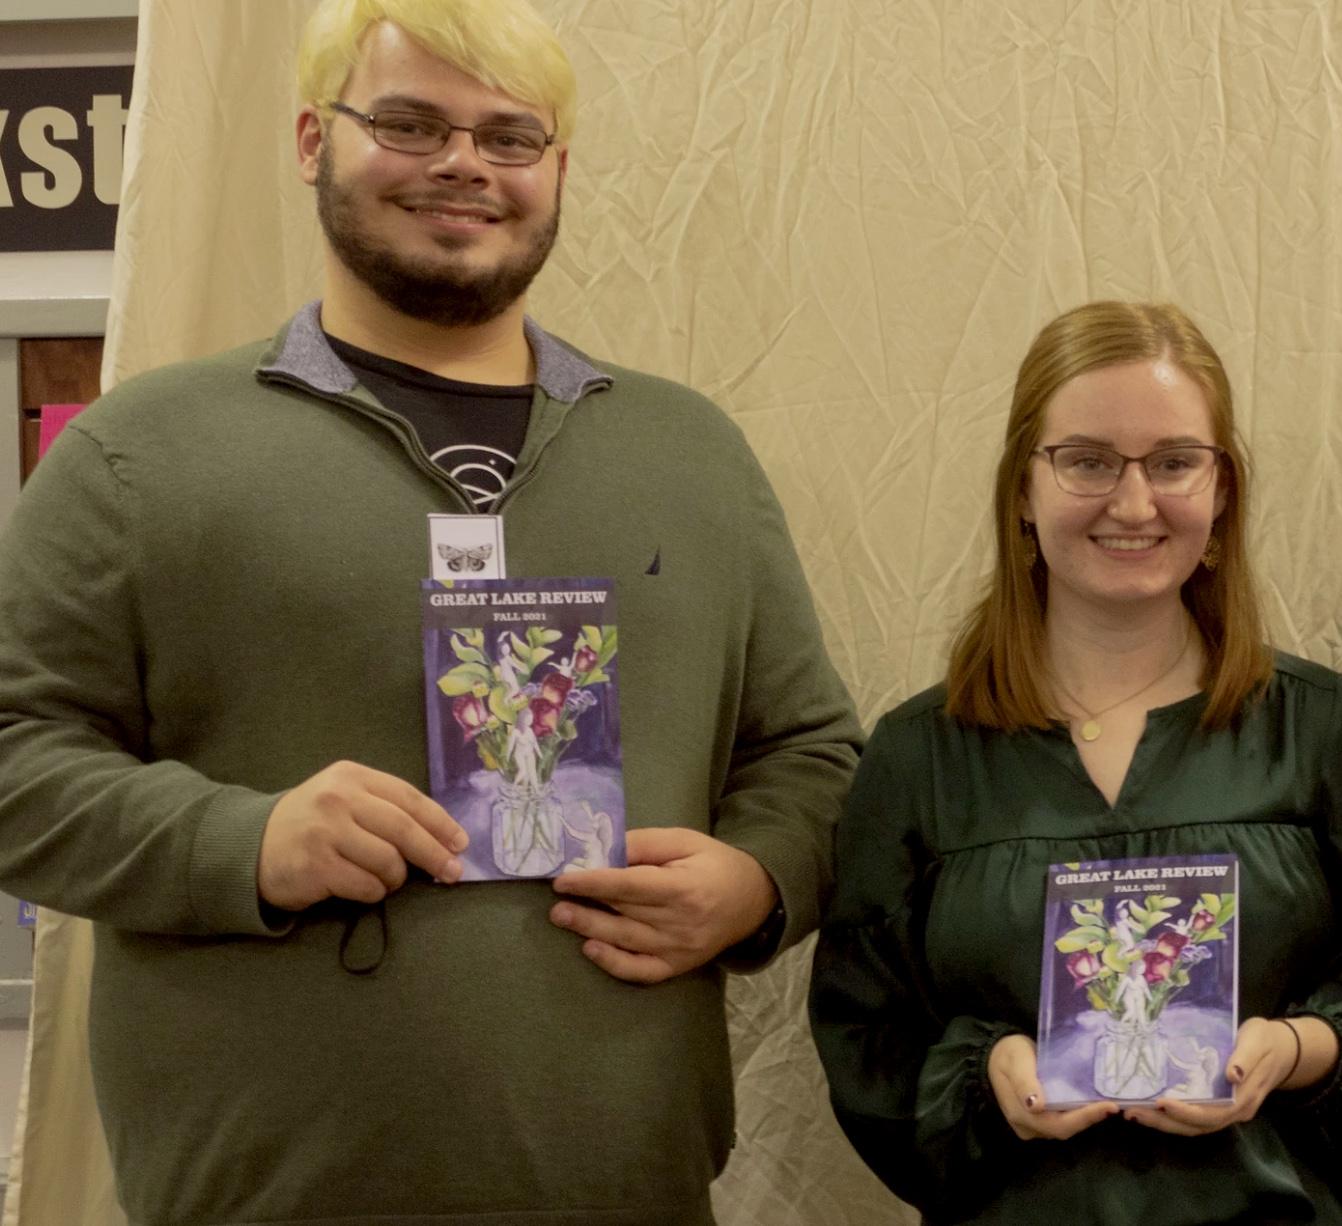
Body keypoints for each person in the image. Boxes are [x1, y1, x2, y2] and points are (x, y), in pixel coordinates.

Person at [0, 2, 861, 1222]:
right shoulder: (141, 452)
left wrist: (759, 880)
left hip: (627, 1186)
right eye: (409, 123)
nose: (464, 164)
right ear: (312, 139)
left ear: (558, 168)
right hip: (265, 1195)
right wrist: (242, 841)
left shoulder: (691, 457)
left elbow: (814, 753)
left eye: (512, 136)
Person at [809, 301, 1342, 1224]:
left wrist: (1295, 1049)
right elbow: (865, 1035)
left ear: (1223, 493)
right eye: (1088, 460)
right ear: (1024, 488)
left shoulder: (1321, 729)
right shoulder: (920, 755)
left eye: (1175, 462)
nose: (1133, 503)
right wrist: (987, 1075)